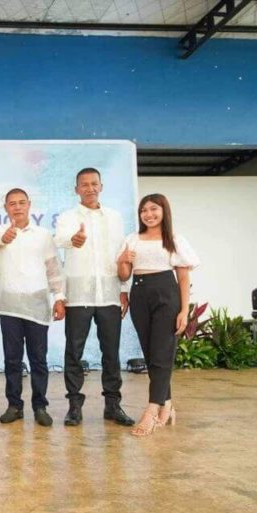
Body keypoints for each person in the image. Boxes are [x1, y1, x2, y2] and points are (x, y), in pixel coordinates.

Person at [54, 168, 135, 427]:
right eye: (84, 185)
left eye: (94, 184)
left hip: (110, 294)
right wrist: (73, 239)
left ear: (101, 186)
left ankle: (113, 405)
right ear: (76, 189)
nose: (89, 188)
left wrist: (124, 288)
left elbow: (122, 253)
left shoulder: (114, 217)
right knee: (74, 353)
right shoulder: (68, 217)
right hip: (79, 296)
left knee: (111, 352)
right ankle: (74, 406)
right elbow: (60, 239)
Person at [117, 193, 198, 436]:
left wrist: (184, 310)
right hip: (140, 295)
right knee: (153, 355)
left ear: (164, 211)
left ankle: (152, 410)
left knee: (162, 352)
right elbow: (123, 275)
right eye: (144, 211)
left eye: (154, 209)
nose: (148, 214)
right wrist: (122, 260)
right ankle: (168, 405)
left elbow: (183, 278)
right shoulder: (132, 239)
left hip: (166, 295)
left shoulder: (173, 240)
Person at [0, 189, 65, 427]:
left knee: (38, 359)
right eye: (12, 204)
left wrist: (60, 297)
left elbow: (53, 268)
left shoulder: (43, 235)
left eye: (22, 203)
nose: (18, 207)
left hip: (37, 304)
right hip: (10, 305)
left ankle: (40, 406)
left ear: (29, 205)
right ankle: (14, 405)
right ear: (6, 208)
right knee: (12, 359)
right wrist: (6, 237)